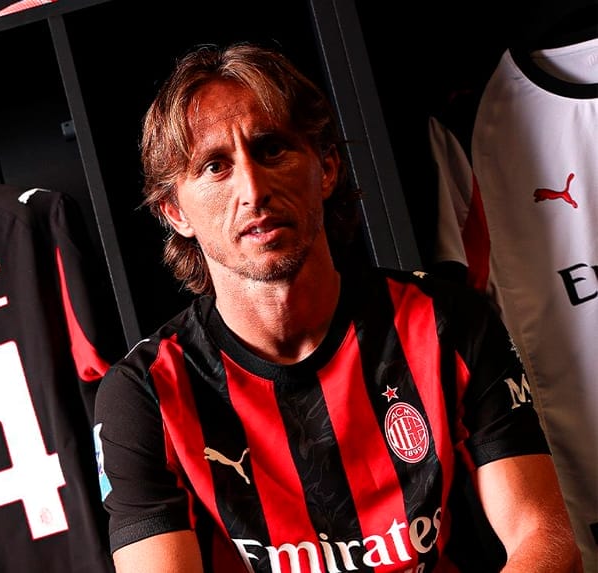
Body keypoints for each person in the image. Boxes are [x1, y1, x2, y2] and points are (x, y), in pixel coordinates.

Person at [92, 42, 582, 573]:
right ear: (174, 211)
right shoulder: (145, 393)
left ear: (326, 168)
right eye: (215, 166)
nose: (252, 189)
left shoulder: (446, 320)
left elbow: (546, 539)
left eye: (271, 149)